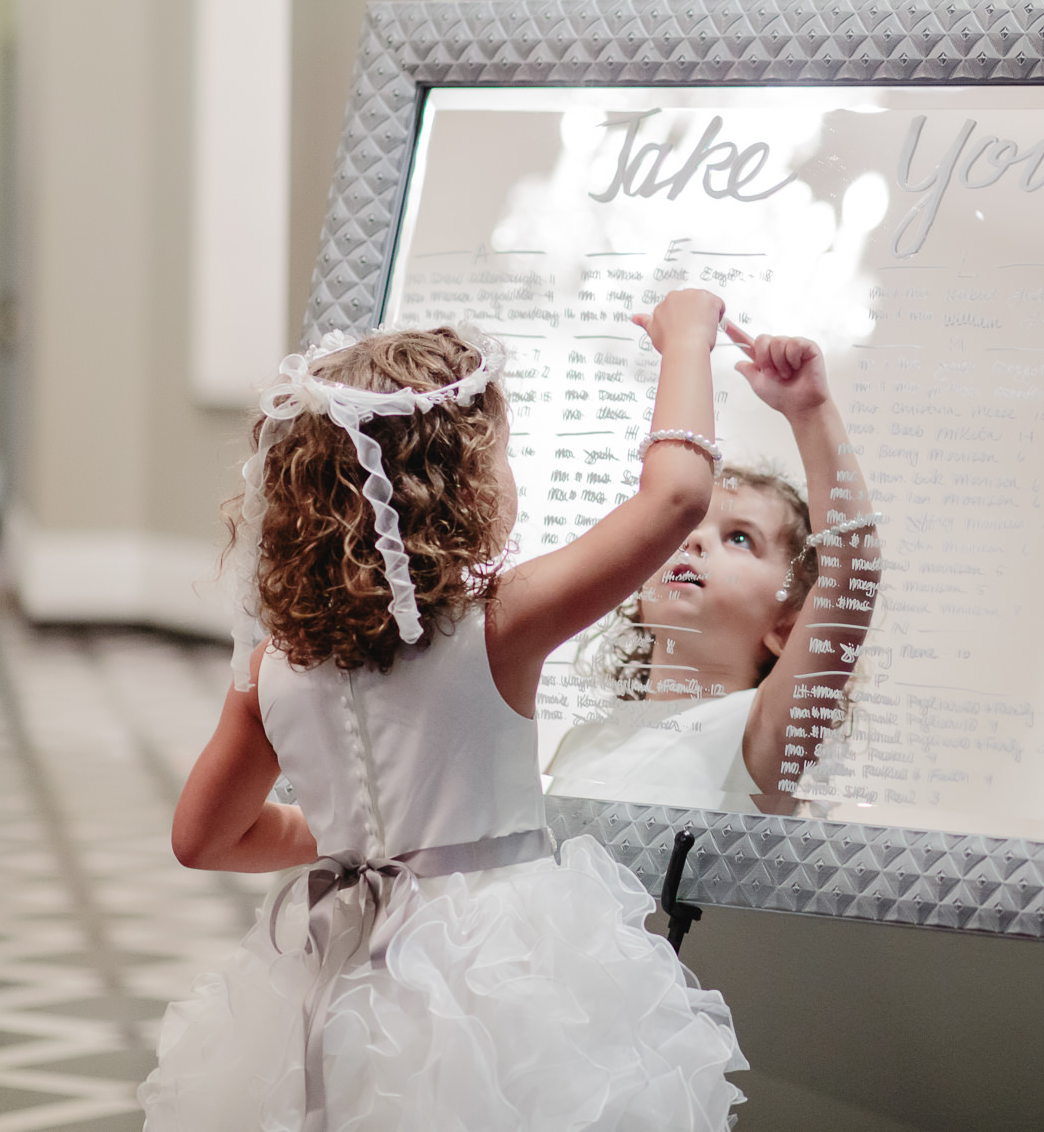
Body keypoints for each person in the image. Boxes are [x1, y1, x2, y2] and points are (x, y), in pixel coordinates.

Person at [142, 293, 746, 1131]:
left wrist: (361, 836)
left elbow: (202, 837)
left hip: (340, 966)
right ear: (460, 484)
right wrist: (687, 338)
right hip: (501, 970)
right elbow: (678, 498)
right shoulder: (499, 625)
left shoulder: (271, 667)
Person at [548, 324, 879, 810]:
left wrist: (811, 414)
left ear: (785, 628)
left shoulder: (761, 731)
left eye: (740, 538)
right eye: (688, 527)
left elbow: (851, 574)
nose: (696, 540)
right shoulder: (581, 743)